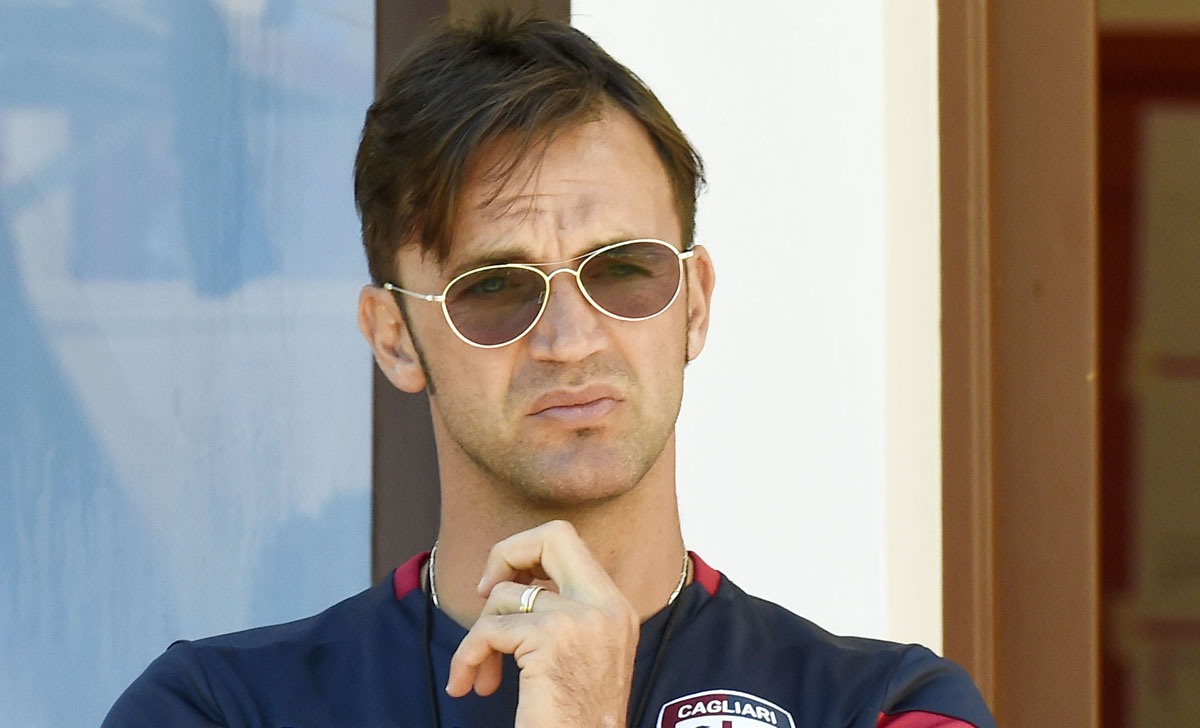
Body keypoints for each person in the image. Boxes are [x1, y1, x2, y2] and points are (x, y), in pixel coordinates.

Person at [104, 12, 997, 728]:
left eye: (624, 271)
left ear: (694, 304)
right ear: (394, 337)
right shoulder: (216, 708)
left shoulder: (886, 707)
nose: (570, 339)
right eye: (495, 289)